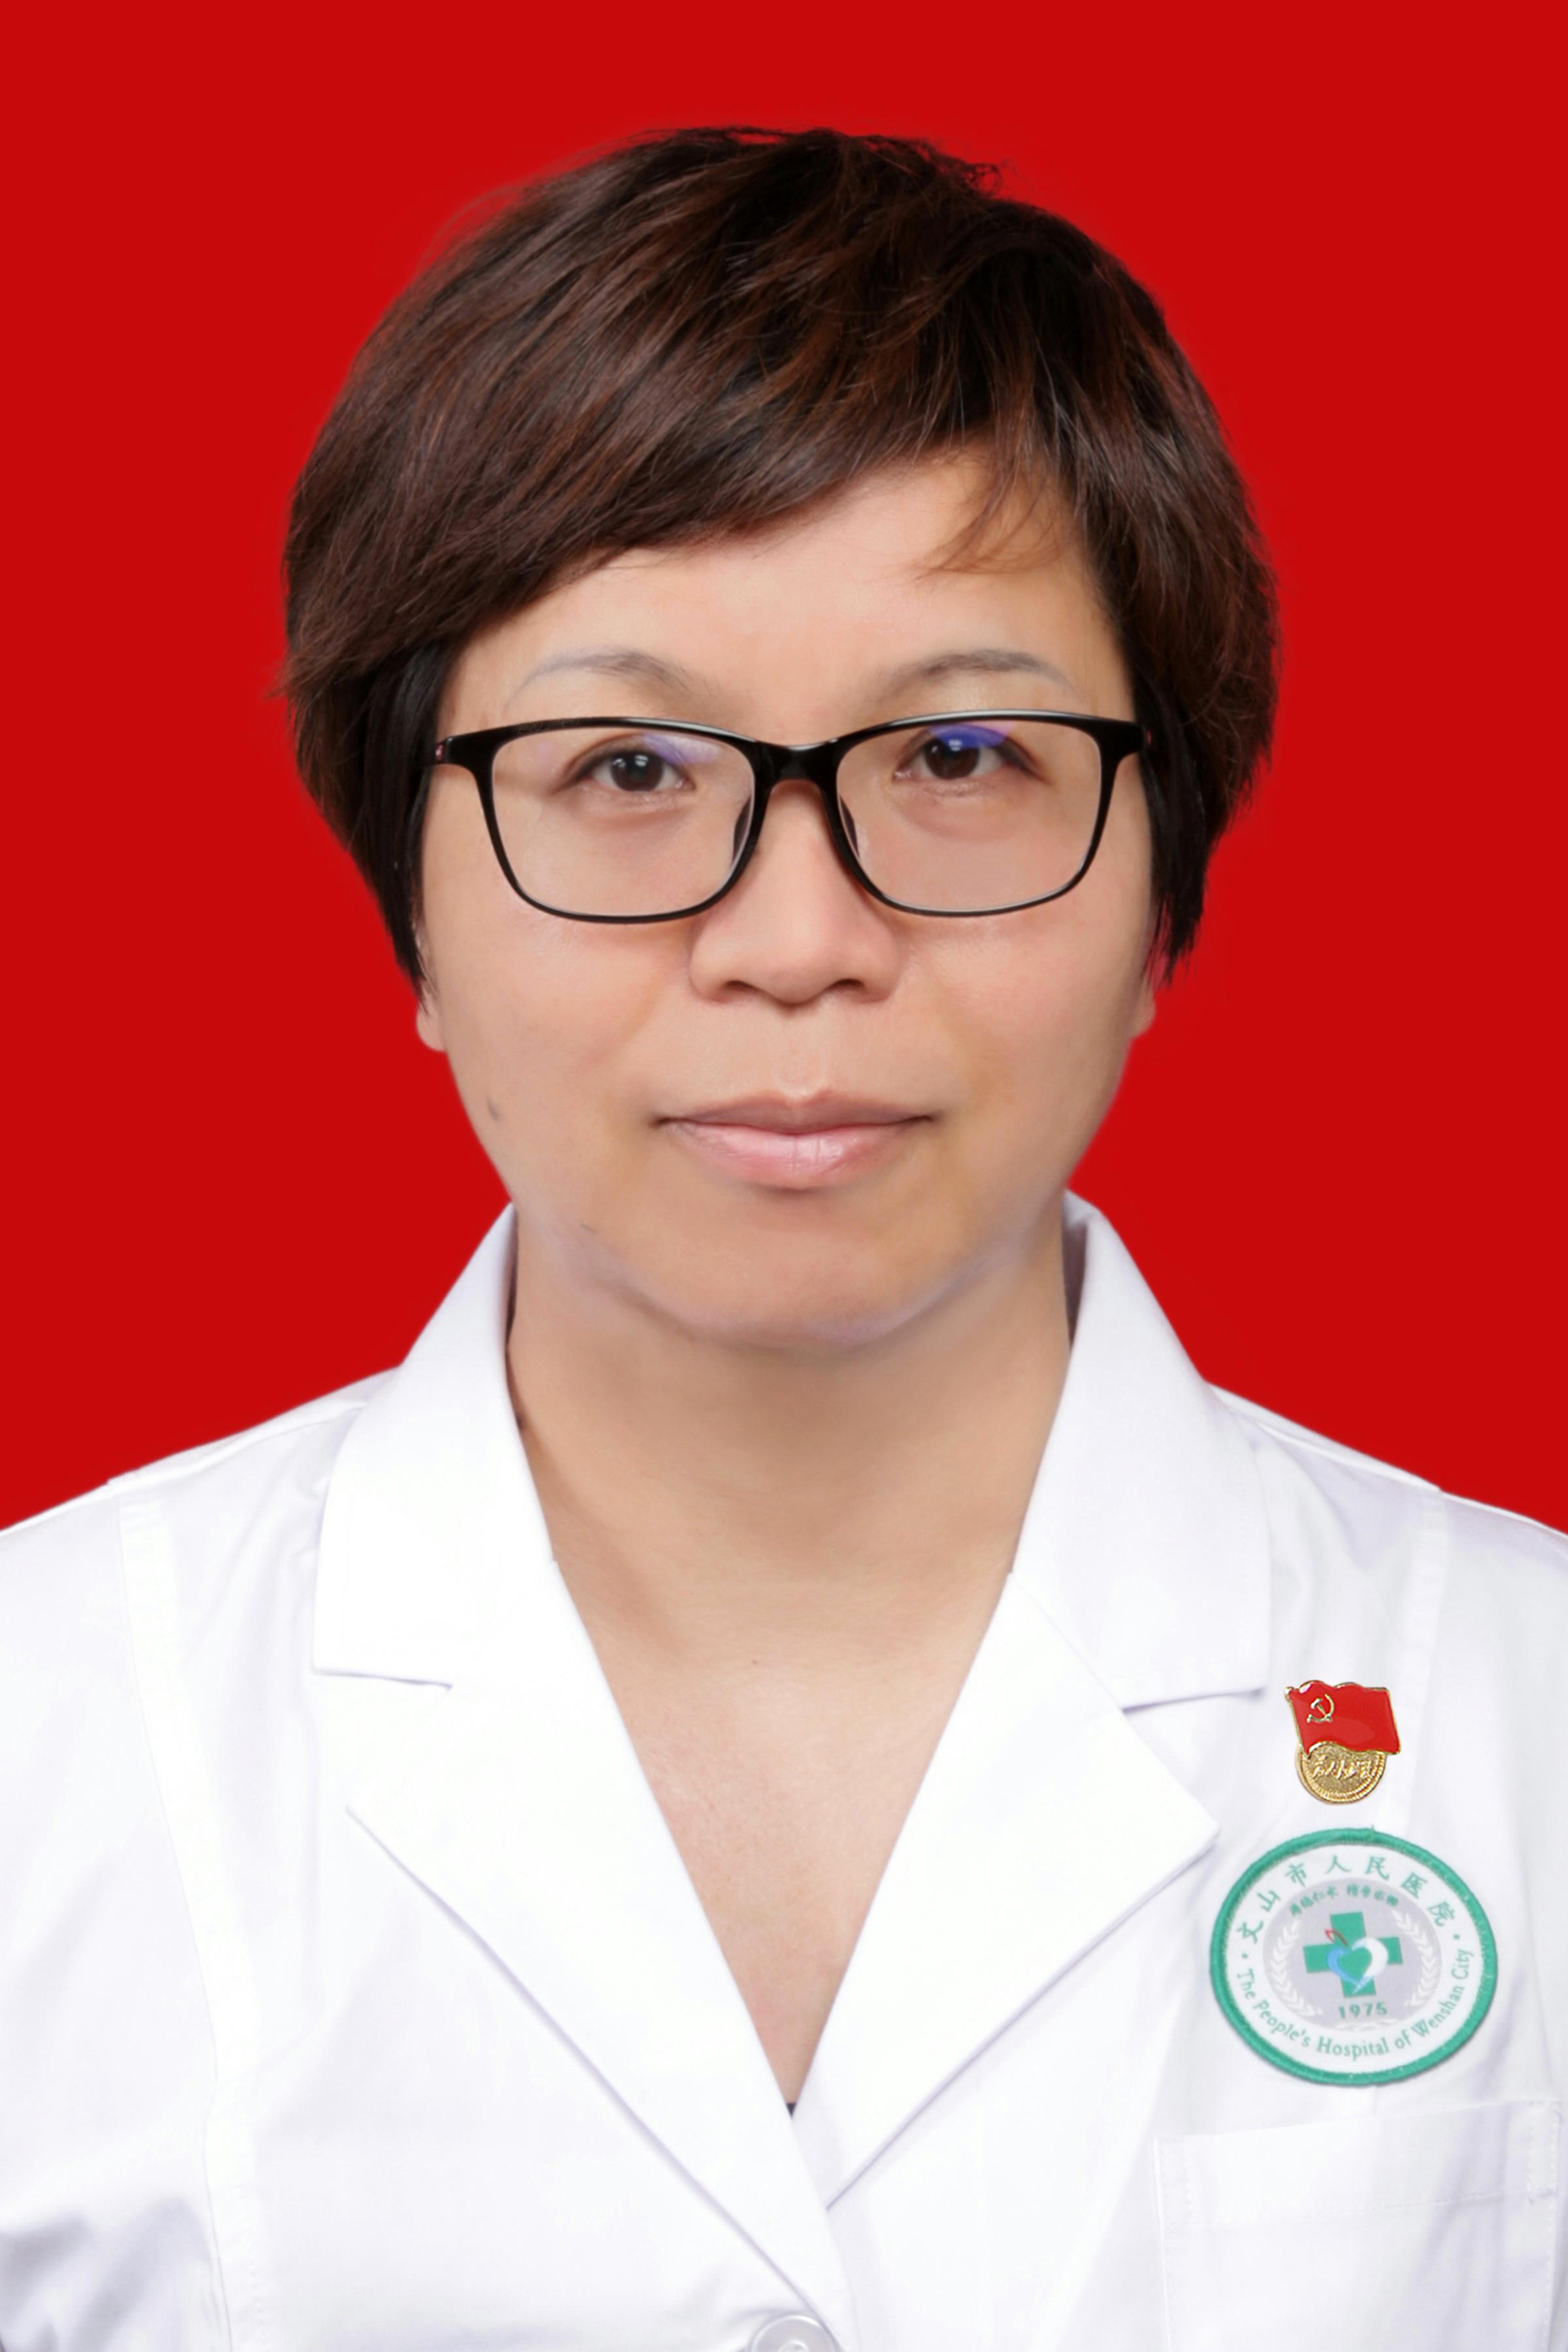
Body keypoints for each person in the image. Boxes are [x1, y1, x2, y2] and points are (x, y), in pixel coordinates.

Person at [0, 125, 1562, 2352]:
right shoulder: (50, 1720)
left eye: (963, 754)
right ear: (413, 910)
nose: (798, 939)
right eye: (628, 772)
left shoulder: (1523, 1713)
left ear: (1162, 896)